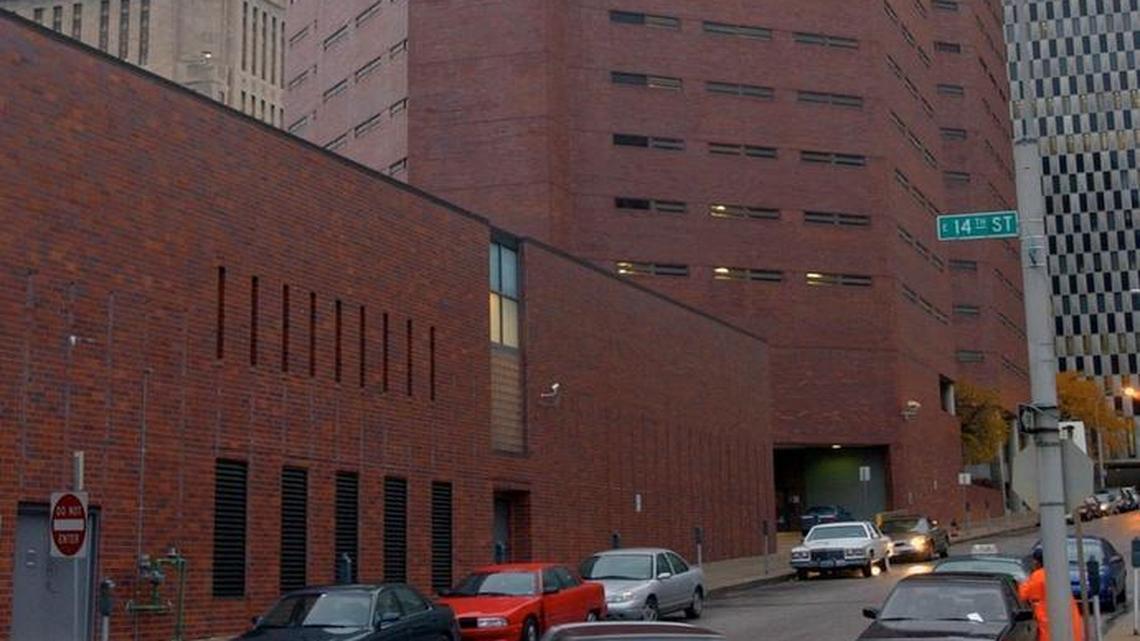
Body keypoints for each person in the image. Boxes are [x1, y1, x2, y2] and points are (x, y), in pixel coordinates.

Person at [1018, 548, 1085, 641]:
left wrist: (1022, 583)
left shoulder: (1038, 576)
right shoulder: (1058, 573)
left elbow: (1022, 595)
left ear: (1036, 562)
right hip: (1069, 619)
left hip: (1049, 621)